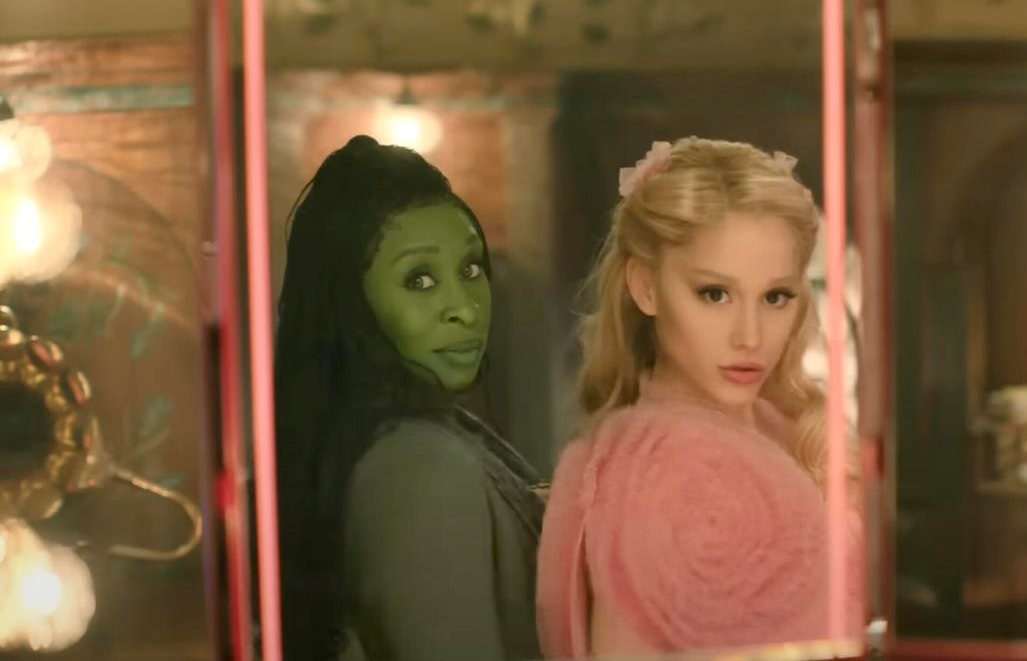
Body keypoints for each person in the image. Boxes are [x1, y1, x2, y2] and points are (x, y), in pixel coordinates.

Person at [537, 137, 862, 657]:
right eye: (715, 294)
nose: (750, 336)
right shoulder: (657, 470)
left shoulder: (783, 427)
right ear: (645, 287)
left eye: (775, 296)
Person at [273, 135, 544, 660]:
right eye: (419, 280)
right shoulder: (421, 466)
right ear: (351, 303)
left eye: (471, 269)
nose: (464, 308)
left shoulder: (431, 435)